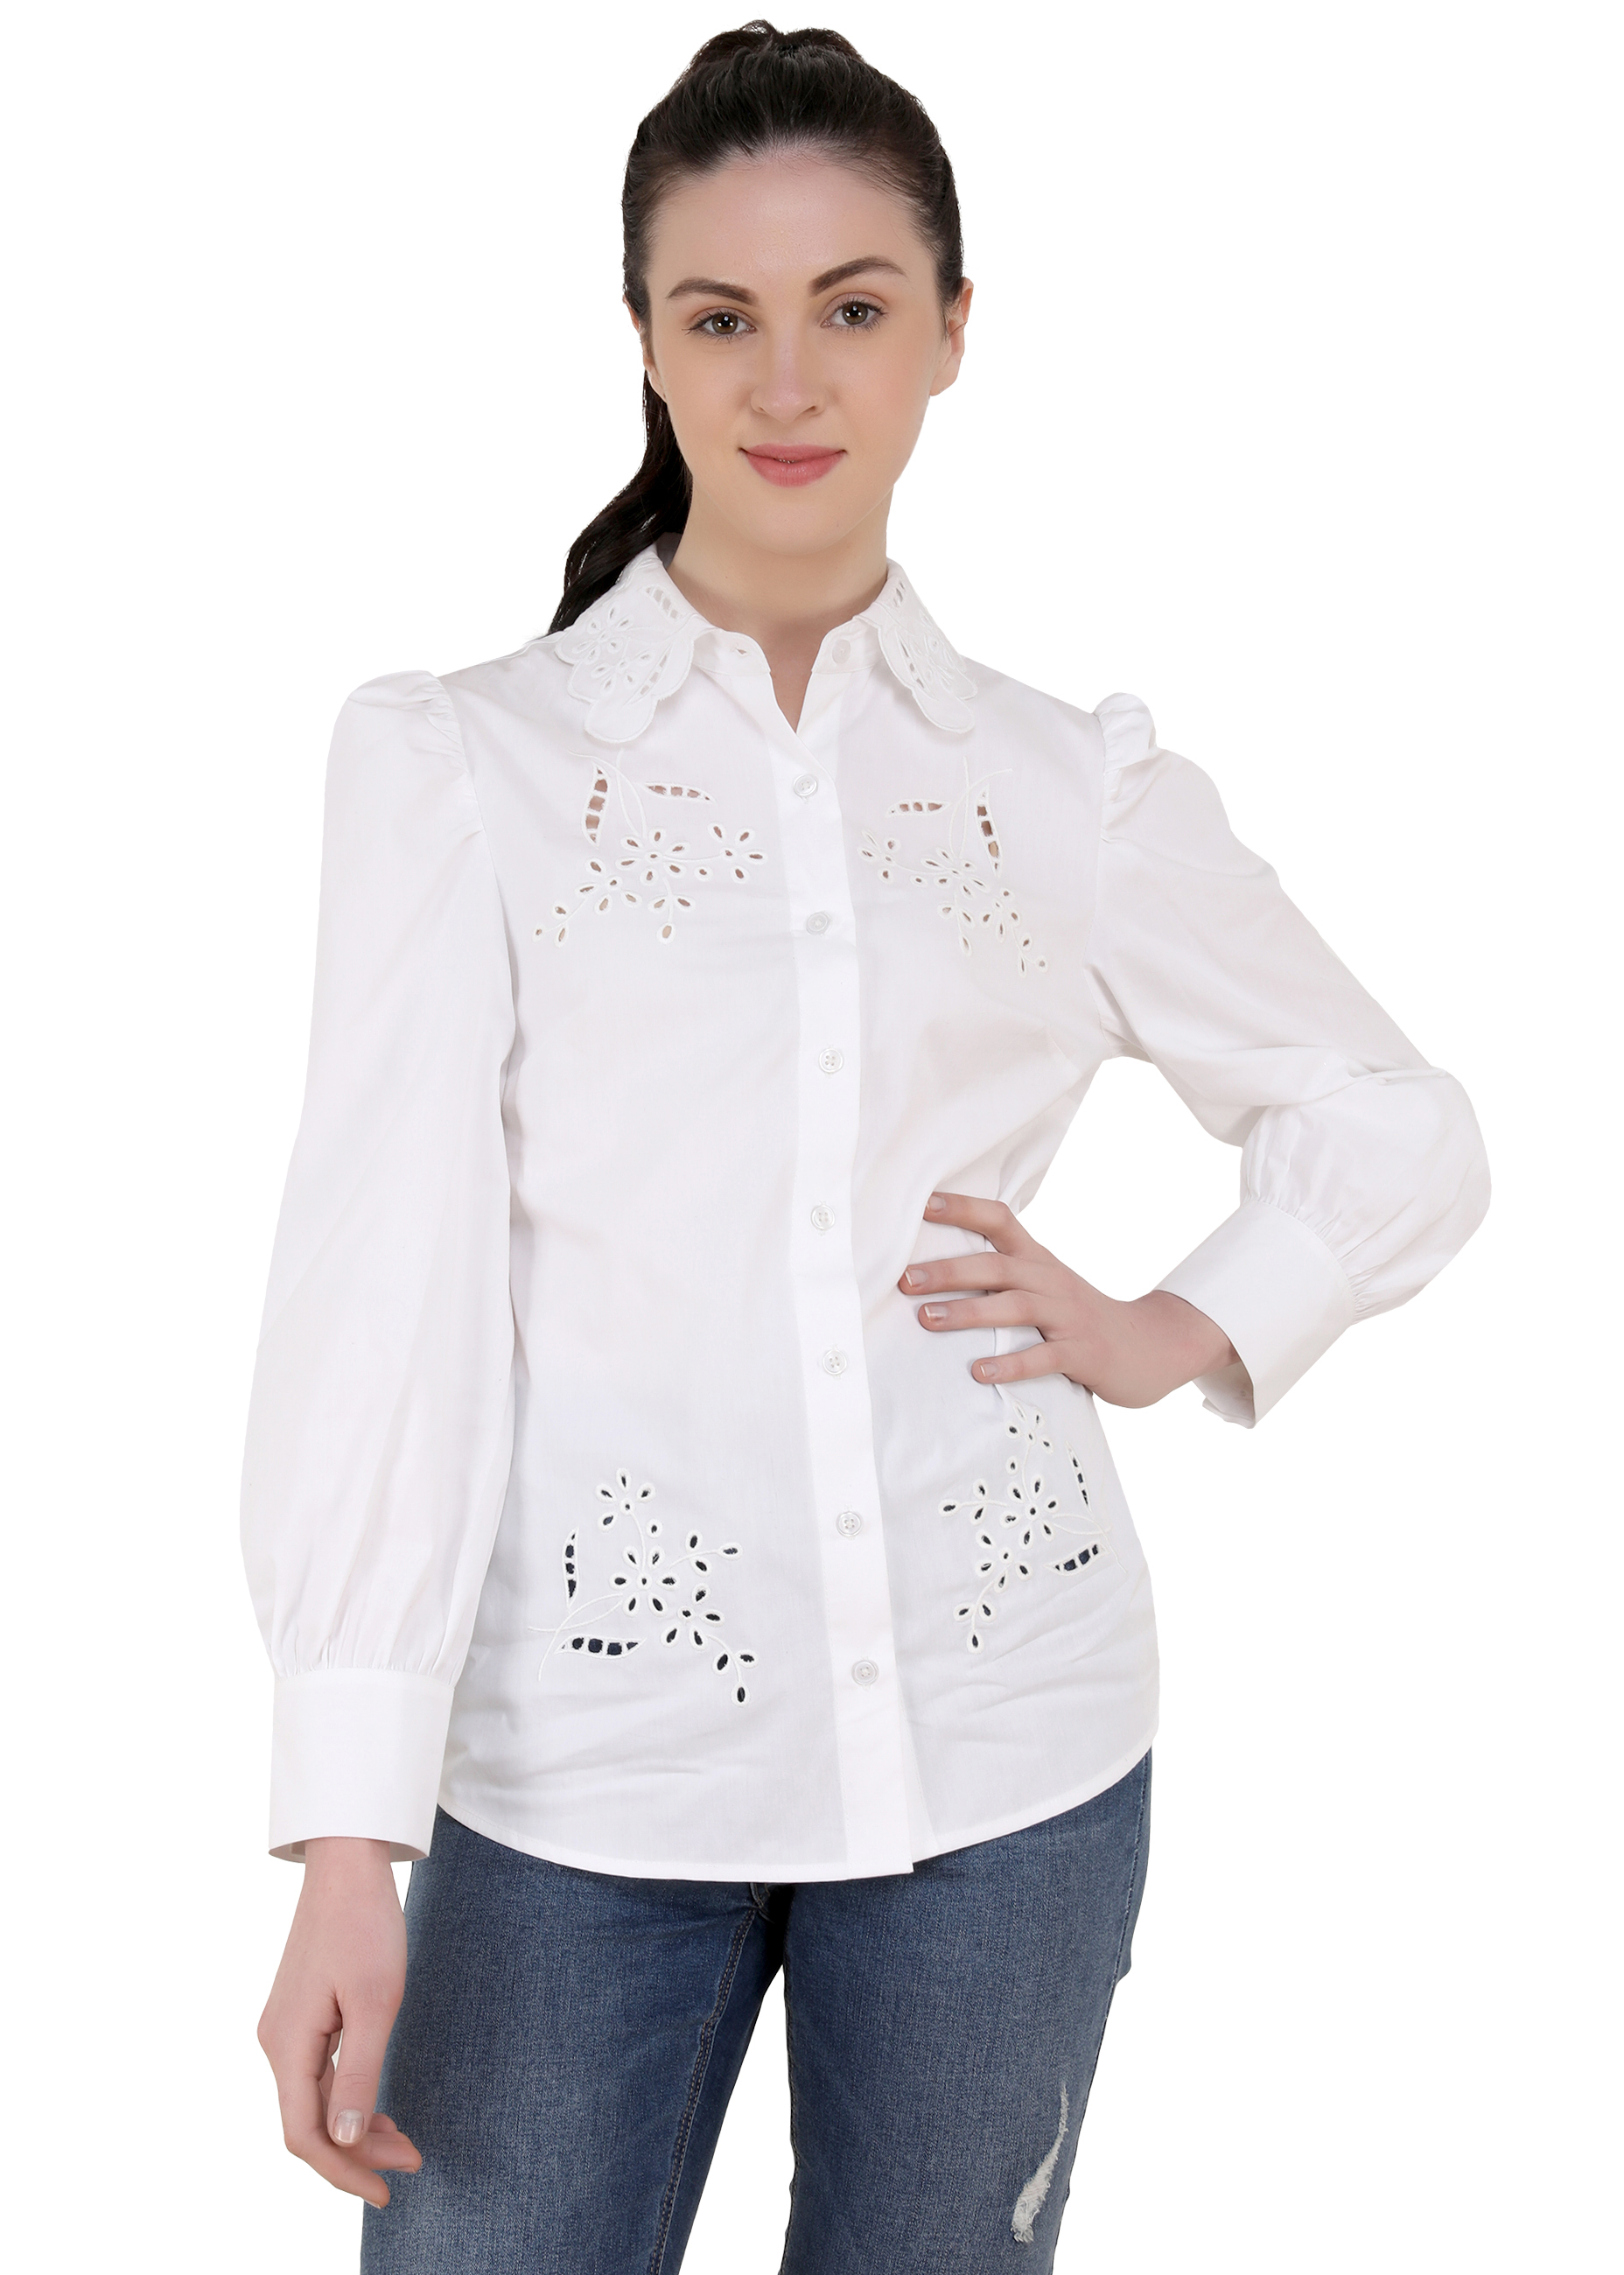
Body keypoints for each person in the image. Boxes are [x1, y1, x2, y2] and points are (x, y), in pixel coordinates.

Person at [242, 23, 1488, 2272]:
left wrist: (1181, 1322)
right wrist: (347, 1829)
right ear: (643, 341)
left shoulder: (1061, 787)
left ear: (951, 330)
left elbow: (1393, 1118)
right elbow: (381, 1296)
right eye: (720, 315)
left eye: (852, 306)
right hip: (579, 1775)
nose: (788, 379)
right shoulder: (464, 769)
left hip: (1013, 1760)